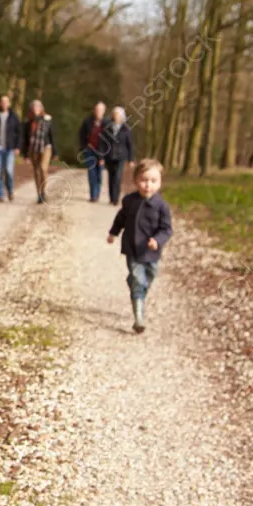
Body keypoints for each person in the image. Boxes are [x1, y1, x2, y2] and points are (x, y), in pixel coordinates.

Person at [107, 159, 174, 333]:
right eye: (144, 180)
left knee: (149, 276)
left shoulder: (161, 206)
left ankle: (137, 289)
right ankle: (139, 317)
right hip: (132, 249)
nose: (148, 185)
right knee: (138, 280)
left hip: (151, 252)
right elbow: (121, 218)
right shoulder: (129, 201)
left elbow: (166, 229)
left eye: (153, 181)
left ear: (160, 183)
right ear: (136, 181)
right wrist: (114, 232)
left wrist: (157, 240)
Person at [21, 99, 56, 204]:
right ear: (31, 110)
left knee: (43, 168)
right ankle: (39, 194)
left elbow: (51, 136)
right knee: (36, 171)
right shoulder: (28, 122)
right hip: (33, 148)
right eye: (33, 107)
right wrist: (25, 154)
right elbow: (25, 139)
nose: (35, 109)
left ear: (41, 109)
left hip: (46, 147)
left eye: (38, 107)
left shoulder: (47, 119)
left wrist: (55, 152)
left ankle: (44, 190)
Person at [100, 106, 134, 205]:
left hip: (121, 156)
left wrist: (131, 159)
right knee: (111, 176)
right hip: (109, 156)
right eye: (114, 115)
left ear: (122, 116)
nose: (116, 117)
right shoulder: (107, 127)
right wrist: (101, 157)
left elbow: (130, 144)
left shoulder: (126, 129)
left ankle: (116, 199)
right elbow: (102, 143)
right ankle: (111, 198)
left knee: (118, 177)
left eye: (118, 115)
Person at [78, 101, 107, 202]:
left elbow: (110, 140)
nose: (98, 112)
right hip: (90, 150)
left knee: (99, 174)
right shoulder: (87, 121)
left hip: (102, 152)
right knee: (91, 173)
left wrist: (104, 156)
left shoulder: (107, 123)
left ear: (104, 111)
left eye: (100, 110)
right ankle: (93, 195)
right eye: (96, 110)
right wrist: (83, 147)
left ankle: (97, 193)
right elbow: (81, 135)